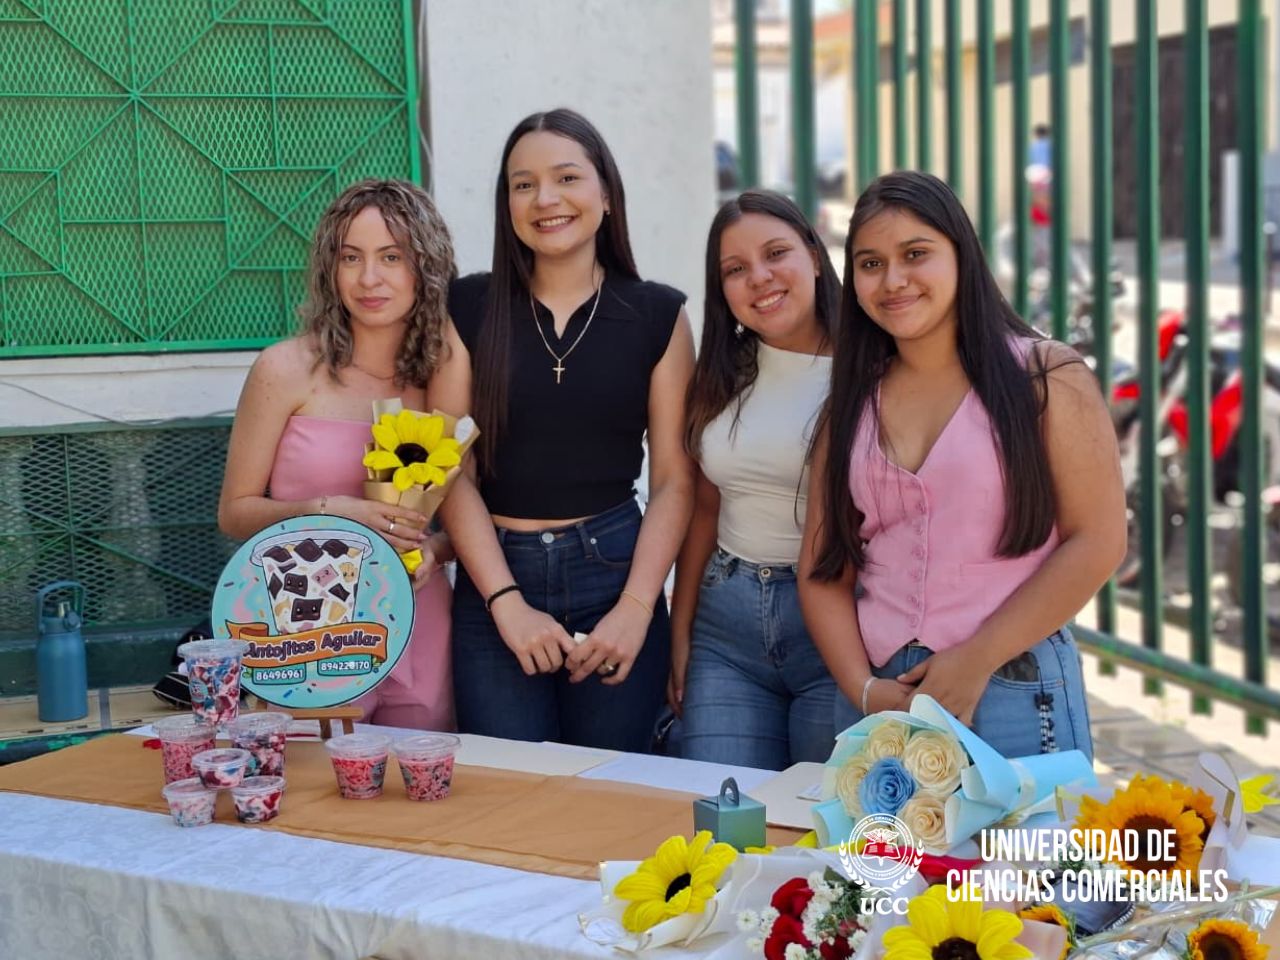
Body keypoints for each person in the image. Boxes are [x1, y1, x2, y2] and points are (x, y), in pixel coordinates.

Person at [799, 170, 1125, 760]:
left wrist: (976, 659)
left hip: (1013, 682)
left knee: (1028, 830)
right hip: (882, 701)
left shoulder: (1045, 376)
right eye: (870, 263)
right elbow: (824, 570)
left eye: (915, 254)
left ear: (961, 254)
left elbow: (1097, 540)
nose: (893, 280)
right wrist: (863, 690)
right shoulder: (851, 404)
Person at [430, 108, 695, 752]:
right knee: (508, 787)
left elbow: (673, 481)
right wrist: (504, 601)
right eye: (523, 184)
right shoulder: (467, 307)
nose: (545, 199)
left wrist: (636, 610)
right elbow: (449, 468)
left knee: (612, 785)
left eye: (567, 177)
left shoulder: (659, 315)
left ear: (607, 194)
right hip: (495, 572)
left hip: (617, 573)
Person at [219, 179, 457, 731]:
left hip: (420, 621)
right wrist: (327, 513)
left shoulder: (444, 377)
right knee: (313, 779)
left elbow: (471, 512)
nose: (369, 278)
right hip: (309, 631)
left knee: (418, 779)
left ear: (426, 266)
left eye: (391, 257)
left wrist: (434, 550)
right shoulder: (283, 370)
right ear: (330, 268)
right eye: (351, 257)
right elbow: (234, 513)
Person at [670, 190, 841, 770]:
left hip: (838, 624)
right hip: (727, 627)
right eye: (735, 269)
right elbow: (705, 507)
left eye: (775, 254)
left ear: (814, 254)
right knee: (721, 813)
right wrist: (681, 633)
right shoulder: (724, 371)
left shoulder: (874, 369)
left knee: (819, 816)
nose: (759, 278)